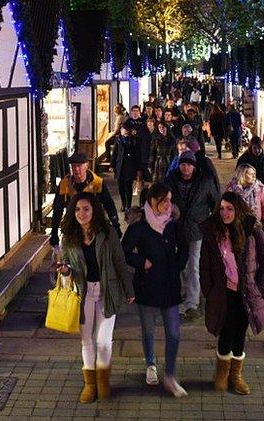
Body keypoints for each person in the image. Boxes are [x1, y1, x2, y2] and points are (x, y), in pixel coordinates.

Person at [56, 193, 135, 403]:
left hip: (107, 290)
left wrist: (129, 289)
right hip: (82, 293)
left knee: (103, 341)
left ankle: (103, 381)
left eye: (86, 209)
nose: (82, 213)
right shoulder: (69, 236)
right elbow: (65, 264)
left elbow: (119, 261)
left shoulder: (107, 233)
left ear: (94, 211)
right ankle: (90, 385)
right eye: (78, 210)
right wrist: (64, 271)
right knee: (86, 340)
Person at [200, 192, 264, 395]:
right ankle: (222, 373)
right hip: (223, 294)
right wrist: (209, 291)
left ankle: (236, 376)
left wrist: (261, 287)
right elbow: (204, 267)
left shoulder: (252, 229)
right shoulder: (212, 232)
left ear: (238, 210)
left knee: (240, 333)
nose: (224, 212)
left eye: (229, 208)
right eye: (221, 208)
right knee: (225, 333)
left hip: (246, 293)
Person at [121, 183, 189, 398]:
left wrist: (177, 265)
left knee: (174, 332)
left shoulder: (173, 223)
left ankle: (170, 374)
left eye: (170, 199)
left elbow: (184, 245)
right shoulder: (139, 226)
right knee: (149, 329)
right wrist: (143, 262)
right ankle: (151, 364)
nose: (168, 204)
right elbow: (124, 252)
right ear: (152, 201)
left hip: (169, 285)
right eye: (163, 200)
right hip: (147, 286)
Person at [166, 151, 220, 320]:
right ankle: (183, 290)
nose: (186, 168)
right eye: (183, 164)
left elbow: (215, 203)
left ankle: (192, 302)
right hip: (177, 229)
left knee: (195, 265)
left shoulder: (205, 182)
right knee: (179, 264)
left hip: (197, 229)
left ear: (194, 166)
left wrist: (213, 223)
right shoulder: (170, 181)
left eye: (189, 164)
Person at [50, 151, 121, 249]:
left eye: (79, 166)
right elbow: (58, 209)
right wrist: (54, 232)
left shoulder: (97, 183)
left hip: (94, 227)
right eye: (73, 166)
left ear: (86, 165)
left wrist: (116, 224)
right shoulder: (64, 184)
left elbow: (109, 204)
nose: (76, 169)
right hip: (73, 227)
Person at [225, 164, 264, 231]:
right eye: (251, 174)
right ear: (242, 175)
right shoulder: (231, 190)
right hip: (235, 226)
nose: (254, 176)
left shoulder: (259, 189)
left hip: (255, 225)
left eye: (254, 174)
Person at [110, 124, 140, 210]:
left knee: (128, 187)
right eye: (122, 129)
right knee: (120, 187)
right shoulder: (118, 139)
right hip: (120, 166)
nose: (123, 131)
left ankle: (128, 205)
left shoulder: (133, 139)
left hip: (129, 166)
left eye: (124, 129)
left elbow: (136, 154)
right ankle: (123, 202)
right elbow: (114, 153)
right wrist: (112, 165)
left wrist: (137, 168)